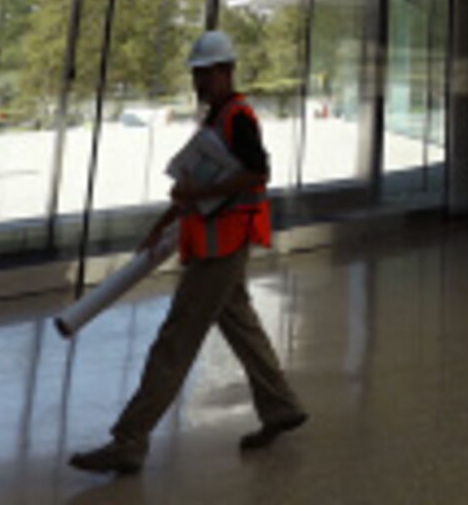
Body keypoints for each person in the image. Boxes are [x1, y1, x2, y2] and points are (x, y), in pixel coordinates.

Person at [69, 29, 308, 476]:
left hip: (224, 244)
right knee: (240, 324)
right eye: (196, 75)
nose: (199, 84)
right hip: (214, 242)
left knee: (175, 341)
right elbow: (193, 189)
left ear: (226, 71)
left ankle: (129, 440)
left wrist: (205, 189)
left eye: (206, 74)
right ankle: (280, 407)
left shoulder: (237, 117)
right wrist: (161, 225)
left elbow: (258, 173)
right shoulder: (216, 120)